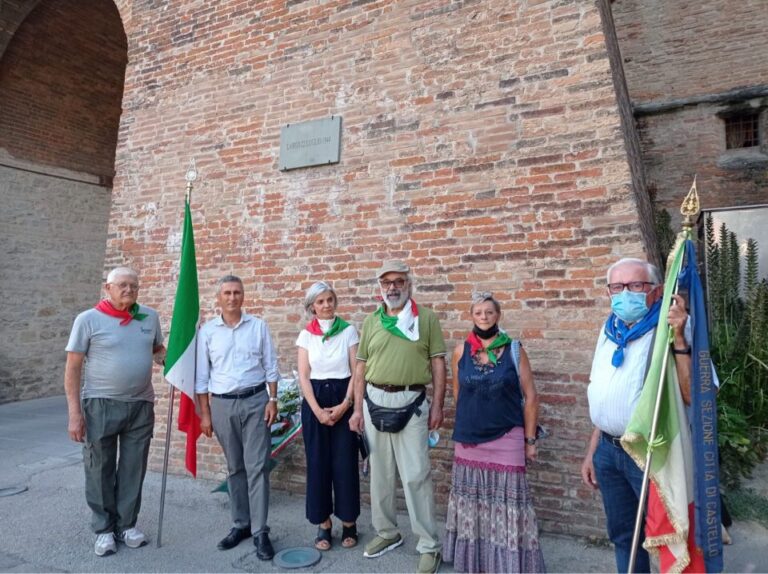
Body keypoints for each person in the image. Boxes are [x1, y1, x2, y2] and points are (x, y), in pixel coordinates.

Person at [581, 258, 691, 573]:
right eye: (617, 287)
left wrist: (680, 338)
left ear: (655, 291)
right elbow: (605, 394)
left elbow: (689, 394)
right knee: (623, 536)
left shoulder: (670, 327)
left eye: (635, 285)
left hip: (648, 451)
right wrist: (593, 451)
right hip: (608, 451)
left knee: (667, 536)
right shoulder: (609, 329)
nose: (625, 293)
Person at [348, 260, 446, 574]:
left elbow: (439, 364)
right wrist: (355, 409)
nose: (393, 287)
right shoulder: (371, 322)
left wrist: (438, 406)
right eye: (387, 282)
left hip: (412, 401)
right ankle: (387, 533)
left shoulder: (426, 318)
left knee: (416, 475)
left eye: (399, 281)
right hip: (373, 401)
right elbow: (360, 368)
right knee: (380, 474)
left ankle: (430, 545)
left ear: (408, 284)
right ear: (380, 287)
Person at [64, 266, 165, 557]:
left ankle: (127, 525)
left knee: (134, 468)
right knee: (99, 469)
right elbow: (73, 367)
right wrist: (74, 413)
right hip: (100, 405)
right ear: (107, 288)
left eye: (133, 285)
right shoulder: (88, 320)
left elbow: (157, 351)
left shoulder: (149, 316)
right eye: (121, 285)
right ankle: (104, 530)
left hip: (140, 405)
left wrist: (177, 356)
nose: (129, 290)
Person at [443, 292, 546, 573]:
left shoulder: (514, 349)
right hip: (469, 439)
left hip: (507, 437)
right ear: (472, 316)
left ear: (498, 316)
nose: (484, 317)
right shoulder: (461, 350)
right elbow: (457, 394)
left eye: (489, 312)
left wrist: (530, 440)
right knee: (473, 504)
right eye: (478, 313)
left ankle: (509, 565)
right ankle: (477, 563)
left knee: (509, 503)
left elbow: (531, 397)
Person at [196, 275, 279, 560]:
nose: (232, 297)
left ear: (243, 296)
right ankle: (240, 524)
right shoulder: (207, 332)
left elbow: (271, 365)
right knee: (234, 468)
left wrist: (273, 399)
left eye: (237, 292)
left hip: (256, 402)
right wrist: (205, 413)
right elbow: (202, 377)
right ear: (218, 298)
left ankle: (260, 531)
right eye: (227, 293)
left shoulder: (258, 327)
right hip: (222, 405)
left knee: (258, 467)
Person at [296, 281, 360, 550]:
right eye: (320, 301)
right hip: (316, 402)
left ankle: (349, 523)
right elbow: (303, 375)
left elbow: (357, 371)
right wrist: (317, 410)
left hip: (343, 395)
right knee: (319, 464)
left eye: (330, 300)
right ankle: (323, 524)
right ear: (312, 307)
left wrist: (346, 405)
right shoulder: (306, 336)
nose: (326, 305)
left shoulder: (349, 331)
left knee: (345, 464)